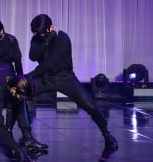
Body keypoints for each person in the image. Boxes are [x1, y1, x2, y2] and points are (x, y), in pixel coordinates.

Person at [27, 14, 119, 150]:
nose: (39, 35)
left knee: (90, 106)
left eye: (42, 32)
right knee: (21, 94)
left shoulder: (62, 38)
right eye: (37, 33)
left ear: (50, 27)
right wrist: (47, 39)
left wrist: (29, 76)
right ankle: (25, 137)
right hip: (46, 78)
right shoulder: (37, 38)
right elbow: (33, 56)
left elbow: (50, 63)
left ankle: (107, 135)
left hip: (65, 78)